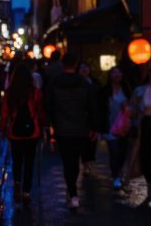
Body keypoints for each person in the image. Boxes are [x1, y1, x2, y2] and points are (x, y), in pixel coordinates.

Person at [47, 53, 98, 208]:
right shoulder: (84, 84)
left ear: (63, 64)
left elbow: (49, 106)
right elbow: (92, 107)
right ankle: (72, 192)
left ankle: (72, 191)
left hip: (62, 128)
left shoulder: (55, 83)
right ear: (75, 64)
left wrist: (51, 123)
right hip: (80, 127)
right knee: (75, 161)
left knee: (67, 161)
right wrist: (93, 126)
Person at [0, 62, 45, 203]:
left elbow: (4, 114)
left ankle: (17, 182)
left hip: (15, 132)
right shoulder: (35, 92)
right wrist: (43, 127)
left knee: (17, 161)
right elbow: (40, 111)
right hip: (33, 132)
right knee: (29, 161)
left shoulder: (9, 93)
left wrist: (3, 130)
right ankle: (26, 191)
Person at [129, 66, 151, 209]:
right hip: (144, 127)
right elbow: (132, 108)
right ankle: (150, 189)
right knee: (146, 158)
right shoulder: (140, 90)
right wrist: (128, 110)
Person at [100, 66, 131, 191]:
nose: (116, 74)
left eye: (119, 72)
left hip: (124, 127)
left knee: (123, 152)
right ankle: (115, 176)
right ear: (110, 75)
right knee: (114, 152)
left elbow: (134, 107)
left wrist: (127, 108)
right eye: (113, 72)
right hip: (109, 126)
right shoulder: (104, 91)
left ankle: (119, 172)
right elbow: (100, 109)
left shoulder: (127, 91)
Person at [77, 62, 102, 176]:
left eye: (86, 67)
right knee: (83, 141)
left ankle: (88, 161)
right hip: (80, 116)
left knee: (92, 140)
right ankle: (85, 163)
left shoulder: (95, 83)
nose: (84, 69)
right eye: (82, 67)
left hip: (94, 115)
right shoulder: (76, 83)